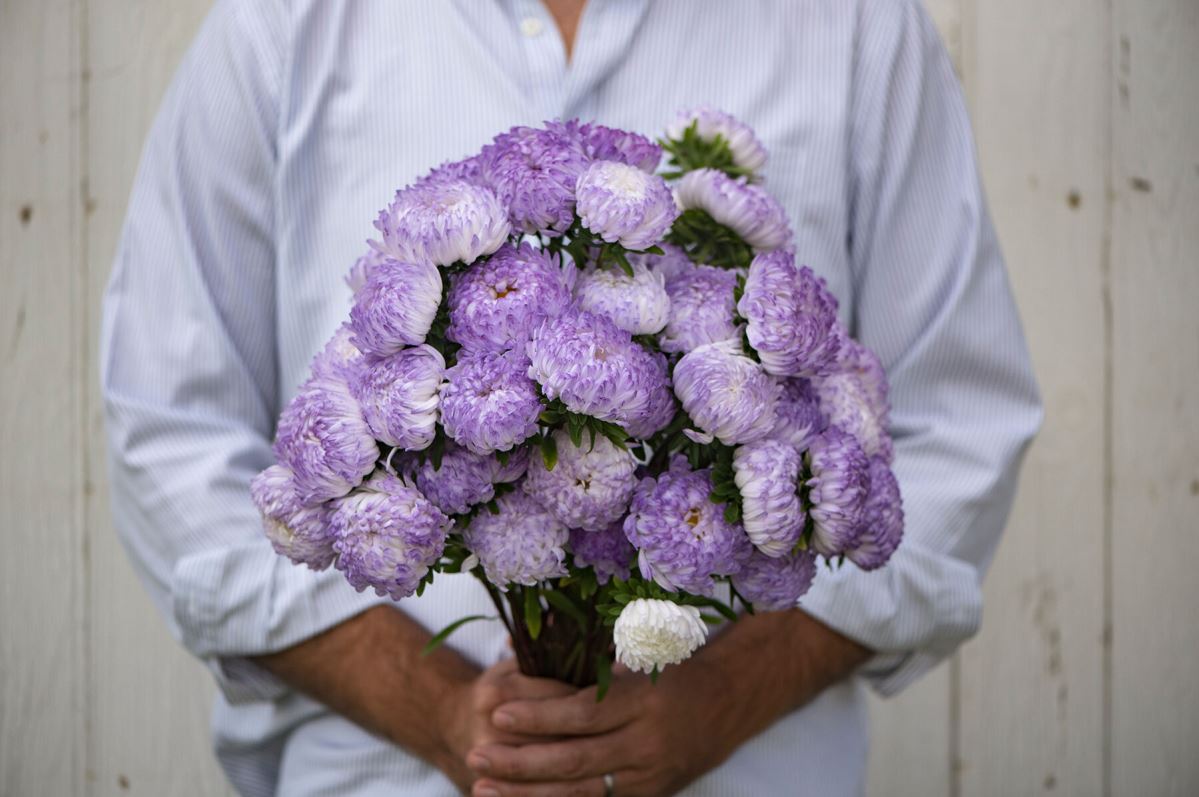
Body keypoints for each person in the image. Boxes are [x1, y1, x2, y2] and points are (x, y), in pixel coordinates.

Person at [101, 1, 1042, 795]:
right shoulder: (280, 24)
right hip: (378, 772)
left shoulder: (852, 25)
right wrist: (435, 708)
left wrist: (727, 694)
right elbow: (167, 422)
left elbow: (962, 424)